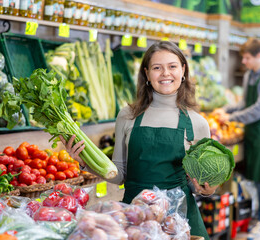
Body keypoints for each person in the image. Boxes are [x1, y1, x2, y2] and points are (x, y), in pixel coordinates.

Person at [61, 41, 218, 239]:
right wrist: (84, 163)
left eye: (172, 66)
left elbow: (198, 184)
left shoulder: (198, 123)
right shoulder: (127, 116)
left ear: (183, 70)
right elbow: (120, 174)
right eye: (157, 68)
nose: (165, 73)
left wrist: (207, 189)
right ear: (146, 73)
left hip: (179, 221)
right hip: (135, 218)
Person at [212, 38, 260, 240]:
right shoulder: (250, 75)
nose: (243, 61)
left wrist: (232, 117)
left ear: (259, 56)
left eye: (247, 57)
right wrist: (225, 110)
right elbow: (244, 102)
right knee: (255, 176)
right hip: (253, 130)